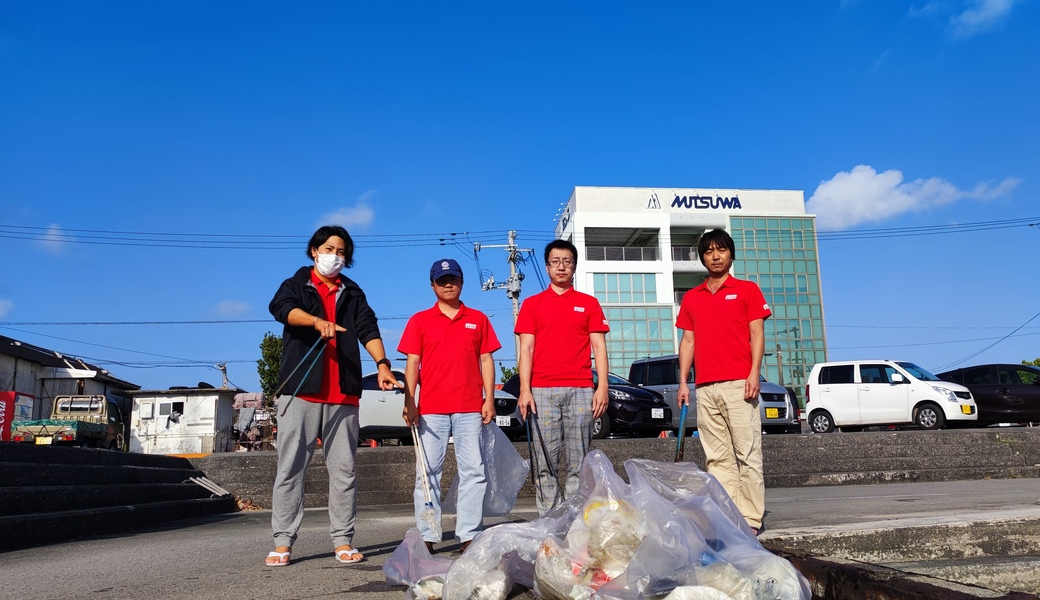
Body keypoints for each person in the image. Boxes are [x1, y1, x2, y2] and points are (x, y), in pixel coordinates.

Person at [265, 225, 398, 567]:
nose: (335, 256)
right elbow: (281, 309)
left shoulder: (352, 292)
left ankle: (342, 539)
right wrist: (314, 321)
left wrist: (382, 364)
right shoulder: (296, 284)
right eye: (329, 248)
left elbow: (368, 327)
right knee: (292, 468)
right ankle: (282, 541)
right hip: (301, 392)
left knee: (344, 470)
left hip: (344, 394)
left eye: (341, 252)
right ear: (314, 250)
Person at [399, 258, 501, 553]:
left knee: (473, 471)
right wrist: (410, 401)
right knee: (427, 472)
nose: (448, 284)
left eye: (453, 279)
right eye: (442, 280)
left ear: (461, 282)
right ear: (432, 285)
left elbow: (486, 359)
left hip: (470, 407)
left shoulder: (478, 319)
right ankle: (428, 534)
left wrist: (489, 399)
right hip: (430, 408)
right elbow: (412, 364)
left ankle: (469, 533)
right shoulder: (419, 320)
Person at [675, 228, 771, 535]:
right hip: (705, 387)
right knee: (717, 458)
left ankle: (752, 519)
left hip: (739, 384)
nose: (715, 256)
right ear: (702, 257)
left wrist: (754, 372)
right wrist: (682, 382)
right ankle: (730, 517)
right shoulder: (692, 297)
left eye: (721, 250)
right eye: (708, 252)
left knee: (747, 453)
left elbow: (757, 334)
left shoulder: (747, 290)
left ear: (731, 254)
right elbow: (688, 341)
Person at [515, 239, 610, 515]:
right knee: (544, 461)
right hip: (541, 390)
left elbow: (599, 347)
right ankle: (549, 519)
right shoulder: (533, 305)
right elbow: (527, 348)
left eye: (567, 262)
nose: (561, 267)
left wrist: (601, 386)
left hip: (580, 388)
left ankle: (574, 519)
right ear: (547, 267)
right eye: (556, 262)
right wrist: (525, 389)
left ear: (574, 267)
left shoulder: (588, 304)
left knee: (578, 462)